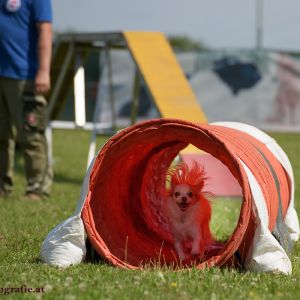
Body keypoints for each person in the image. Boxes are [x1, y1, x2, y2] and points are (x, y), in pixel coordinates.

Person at [0, 0, 53, 200]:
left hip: (25, 75)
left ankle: (37, 189)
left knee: (30, 135)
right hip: (2, 74)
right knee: (1, 135)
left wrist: (43, 71)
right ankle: (3, 186)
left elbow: (46, 31)